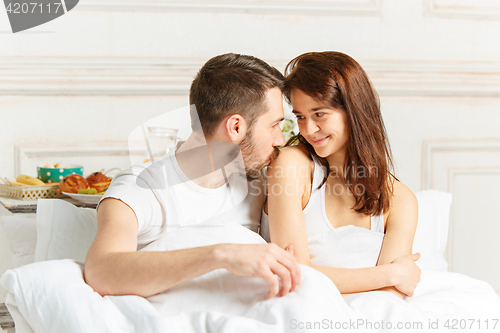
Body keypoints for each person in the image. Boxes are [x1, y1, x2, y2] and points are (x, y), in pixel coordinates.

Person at [83, 53, 301, 300]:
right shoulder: (141, 187)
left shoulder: (260, 182)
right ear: (236, 127)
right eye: (274, 125)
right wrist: (222, 256)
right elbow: (101, 271)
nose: (280, 140)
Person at [265, 51, 421, 299]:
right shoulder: (292, 166)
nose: (309, 130)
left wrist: (394, 279)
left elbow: (391, 296)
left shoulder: (400, 199)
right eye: (301, 117)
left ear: (353, 111)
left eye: (319, 114)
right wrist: (391, 273)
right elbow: (295, 275)